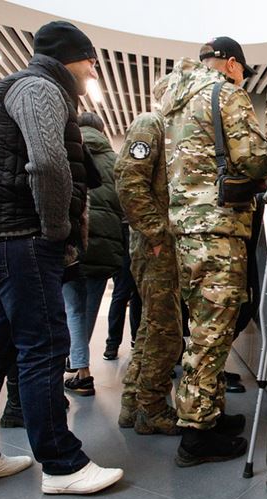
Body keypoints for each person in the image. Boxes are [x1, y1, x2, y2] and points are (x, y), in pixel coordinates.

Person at [0, 20, 122, 494]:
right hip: (22, 238)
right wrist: (57, 229)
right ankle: (62, 465)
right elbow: (47, 163)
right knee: (44, 347)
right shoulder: (39, 87)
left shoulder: (28, 87)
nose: (93, 70)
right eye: (90, 60)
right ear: (71, 57)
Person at [157, 36, 267, 466]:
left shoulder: (172, 102)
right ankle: (196, 436)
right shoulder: (225, 93)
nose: (243, 78)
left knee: (203, 326)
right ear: (230, 64)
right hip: (219, 228)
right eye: (243, 71)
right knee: (213, 332)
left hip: (188, 230)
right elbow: (252, 159)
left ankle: (207, 414)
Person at [113, 112, 184, 436]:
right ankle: (152, 410)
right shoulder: (150, 124)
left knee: (151, 327)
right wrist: (157, 234)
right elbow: (129, 181)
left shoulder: (169, 129)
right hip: (154, 245)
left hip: (157, 244)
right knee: (166, 332)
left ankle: (133, 402)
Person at [62, 112, 125, 397]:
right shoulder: (116, 161)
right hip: (105, 247)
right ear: (102, 130)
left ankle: (80, 368)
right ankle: (78, 366)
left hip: (73, 242)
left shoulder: (68, 151)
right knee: (87, 310)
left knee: (72, 309)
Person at [103, 217, 141, 361]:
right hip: (123, 232)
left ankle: (133, 339)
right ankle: (113, 343)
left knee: (136, 293)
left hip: (136, 230)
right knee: (122, 294)